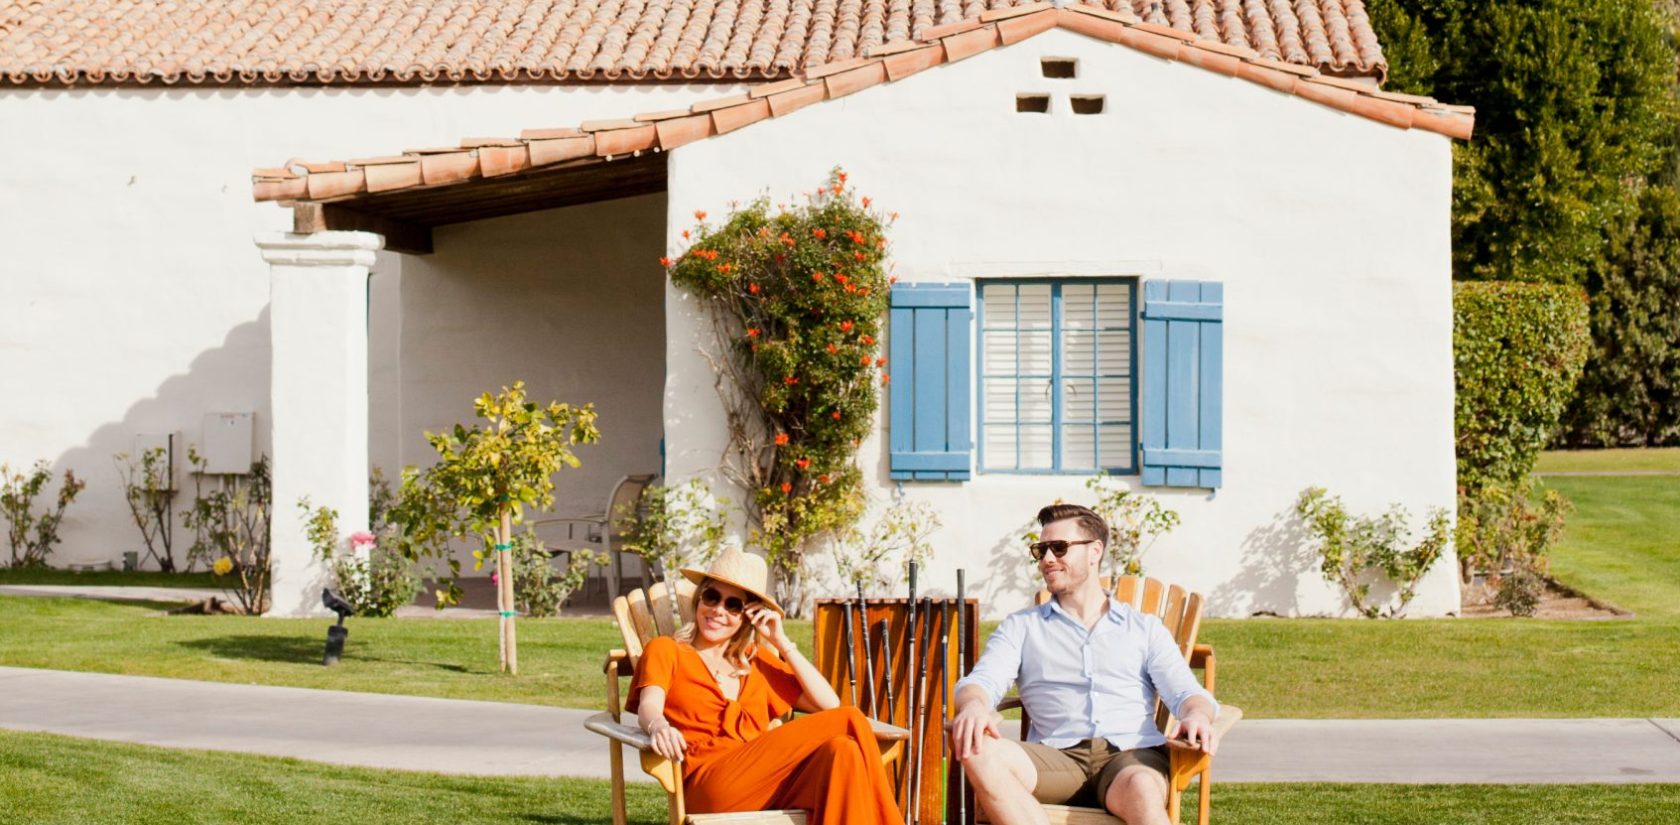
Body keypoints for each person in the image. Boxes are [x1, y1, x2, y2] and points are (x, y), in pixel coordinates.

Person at [949, 504, 1221, 825]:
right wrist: (974, 706)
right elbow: (981, 682)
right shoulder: (1022, 627)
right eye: (1041, 550)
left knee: (1142, 788)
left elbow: (1187, 693)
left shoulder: (1142, 628)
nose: (1047, 559)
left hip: (1130, 758)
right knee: (978, 750)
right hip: (1055, 759)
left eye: (1059, 548)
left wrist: (1197, 715)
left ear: (1095, 552)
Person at [628, 547, 903, 825]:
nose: (718, 610)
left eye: (733, 605)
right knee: (849, 718)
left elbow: (828, 703)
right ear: (699, 599)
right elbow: (649, 704)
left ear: (748, 615)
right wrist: (658, 725)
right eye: (711, 597)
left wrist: (782, 643)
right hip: (710, 786)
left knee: (843, 752)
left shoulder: (756, 662)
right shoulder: (667, 650)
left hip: (765, 786)